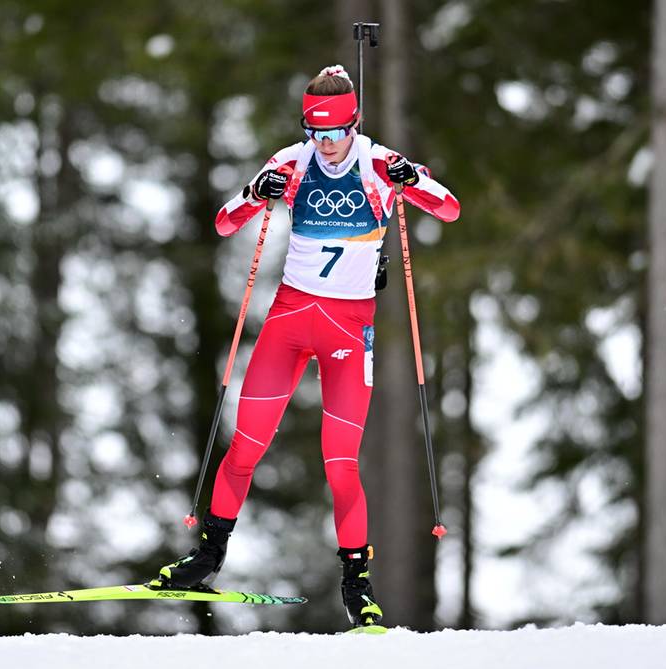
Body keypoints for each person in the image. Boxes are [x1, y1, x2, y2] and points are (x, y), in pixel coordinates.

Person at [149, 64, 460, 630]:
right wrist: (252, 193)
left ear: (354, 124)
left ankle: (357, 587)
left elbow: (449, 207)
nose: (327, 146)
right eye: (316, 135)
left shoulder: (376, 164)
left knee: (341, 465)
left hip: (348, 332)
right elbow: (224, 224)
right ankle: (207, 559)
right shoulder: (290, 163)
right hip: (291, 321)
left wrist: (410, 178)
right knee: (244, 447)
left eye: (336, 134)